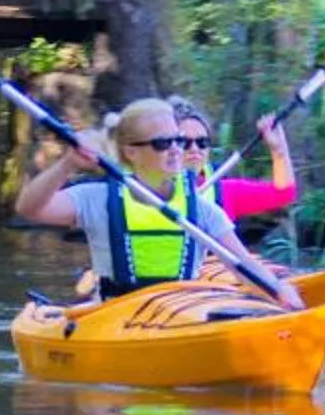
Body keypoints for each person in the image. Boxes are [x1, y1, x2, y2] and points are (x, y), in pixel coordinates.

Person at [13, 95, 252, 299]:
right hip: (114, 317)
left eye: (178, 140)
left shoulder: (201, 209)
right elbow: (30, 209)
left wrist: (275, 301)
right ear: (131, 152)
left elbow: (246, 268)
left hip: (179, 315)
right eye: (162, 143)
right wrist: (67, 164)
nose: (176, 149)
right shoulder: (97, 198)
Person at [168, 97, 298, 228]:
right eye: (184, 142)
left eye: (202, 142)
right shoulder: (156, 191)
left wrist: (278, 151)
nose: (195, 149)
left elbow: (283, 194)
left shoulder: (224, 191)